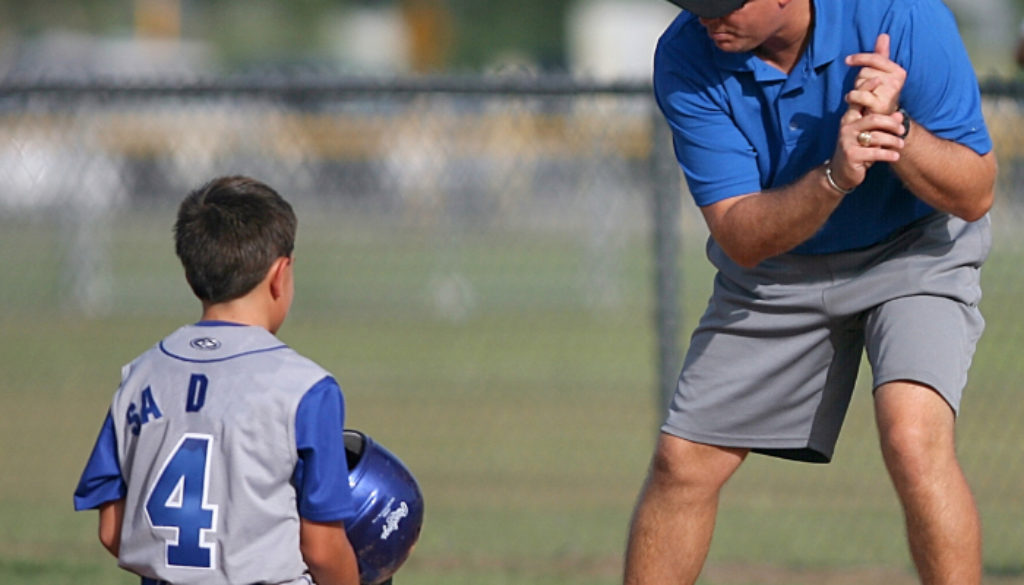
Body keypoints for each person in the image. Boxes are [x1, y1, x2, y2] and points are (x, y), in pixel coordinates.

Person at [624, 1, 997, 585]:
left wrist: (894, 129)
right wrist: (834, 177)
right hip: (779, 263)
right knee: (682, 462)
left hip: (912, 247)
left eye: (724, 4)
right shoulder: (684, 55)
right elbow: (741, 235)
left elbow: (975, 192)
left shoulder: (901, 16)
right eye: (696, 6)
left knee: (912, 436)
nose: (708, 19)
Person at [73, 176, 361, 585]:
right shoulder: (306, 389)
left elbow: (112, 530)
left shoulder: (140, 376)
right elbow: (322, 548)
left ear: (191, 278)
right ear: (281, 274)